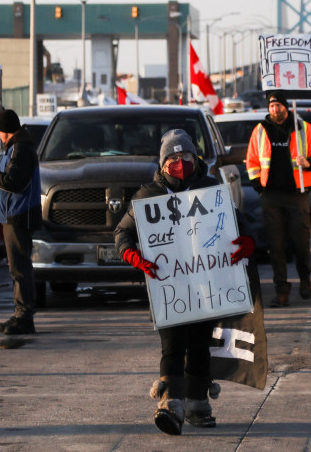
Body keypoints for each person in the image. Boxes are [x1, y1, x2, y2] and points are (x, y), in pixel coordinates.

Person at [114, 129, 255, 435]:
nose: (179, 163)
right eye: (173, 159)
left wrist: (247, 241)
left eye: (186, 157)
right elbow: (122, 234)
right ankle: (170, 405)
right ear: (162, 163)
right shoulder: (147, 197)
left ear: (196, 158)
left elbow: (240, 223)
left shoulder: (211, 189)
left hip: (207, 288)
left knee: (200, 346)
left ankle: (198, 405)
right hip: (169, 289)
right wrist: (133, 256)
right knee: (173, 346)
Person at [246, 90, 311, 307]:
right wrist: (257, 185)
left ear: (286, 107)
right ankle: (282, 292)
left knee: (301, 243)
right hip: (271, 197)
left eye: (278, 106)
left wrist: (308, 162)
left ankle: (305, 278)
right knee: (276, 246)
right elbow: (252, 161)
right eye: (271, 106)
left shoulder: (303, 128)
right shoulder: (260, 131)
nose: (275, 109)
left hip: (297, 195)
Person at [0, 109, 42, 335]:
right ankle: (20, 315)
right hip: (14, 215)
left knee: (20, 268)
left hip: (18, 215)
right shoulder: (17, 147)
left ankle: (24, 317)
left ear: (6, 130)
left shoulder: (21, 149)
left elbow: (14, 182)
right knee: (17, 268)